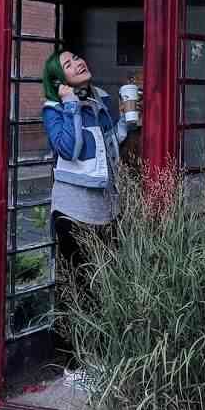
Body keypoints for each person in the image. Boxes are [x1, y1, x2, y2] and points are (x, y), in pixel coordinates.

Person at [41, 49, 130, 274]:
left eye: (77, 58)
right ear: (59, 81)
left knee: (107, 278)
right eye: (68, 65)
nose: (78, 64)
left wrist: (129, 119)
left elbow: (109, 143)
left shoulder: (99, 99)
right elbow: (69, 150)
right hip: (73, 210)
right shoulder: (54, 110)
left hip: (106, 207)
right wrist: (70, 104)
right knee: (81, 282)